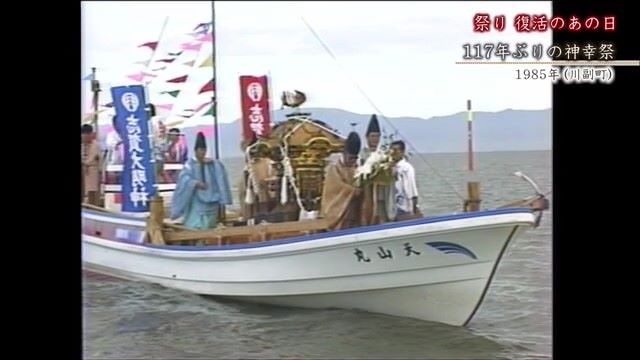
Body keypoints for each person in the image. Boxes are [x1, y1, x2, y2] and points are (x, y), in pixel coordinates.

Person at [170, 132, 232, 230]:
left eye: (204, 150)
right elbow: (184, 178)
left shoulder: (212, 163)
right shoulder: (190, 164)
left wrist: (215, 163)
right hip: (196, 199)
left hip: (211, 198)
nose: (202, 152)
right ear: (195, 151)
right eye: (200, 150)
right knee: (196, 223)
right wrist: (195, 183)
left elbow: (221, 176)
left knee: (210, 223)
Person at [320, 132, 363, 230]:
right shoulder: (334, 168)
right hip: (340, 211)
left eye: (355, 158)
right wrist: (352, 191)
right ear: (344, 153)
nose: (353, 161)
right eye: (351, 158)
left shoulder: (358, 168)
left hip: (354, 211)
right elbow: (335, 187)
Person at [359, 114, 395, 225]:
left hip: (382, 194)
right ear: (367, 137)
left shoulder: (383, 154)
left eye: (377, 136)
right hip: (365, 195)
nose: (375, 139)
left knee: (382, 218)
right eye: (373, 136)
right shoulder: (362, 154)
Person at [390, 140, 420, 219]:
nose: (393, 153)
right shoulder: (389, 167)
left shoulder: (406, 167)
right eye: (392, 150)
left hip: (404, 206)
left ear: (402, 152)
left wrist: (414, 207)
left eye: (396, 150)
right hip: (393, 207)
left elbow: (412, 188)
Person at [81, 124, 102, 205]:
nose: (86, 137)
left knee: (92, 192)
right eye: (84, 135)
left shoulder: (95, 145)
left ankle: (92, 208)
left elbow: (98, 160)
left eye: (88, 134)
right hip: (82, 171)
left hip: (92, 171)